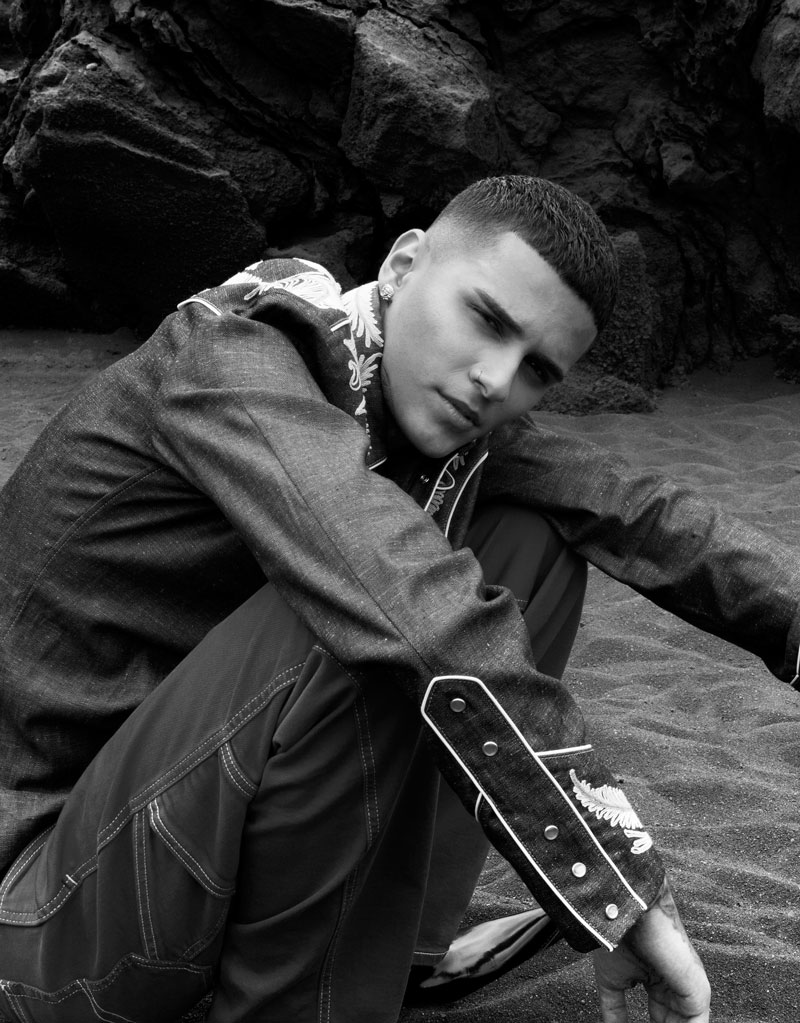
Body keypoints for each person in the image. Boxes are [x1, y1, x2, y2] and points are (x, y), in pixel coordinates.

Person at [3, 172, 795, 1023]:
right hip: (36, 915)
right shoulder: (228, 359)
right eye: (486, 319)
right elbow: (399, 598)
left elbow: (632, 506)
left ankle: (393, 949)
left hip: (163, 846)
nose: (494, 379)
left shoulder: (418, 402)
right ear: (403, 264)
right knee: (377, 599)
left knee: (530, 538)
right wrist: (613, 884)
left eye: (536, 369)